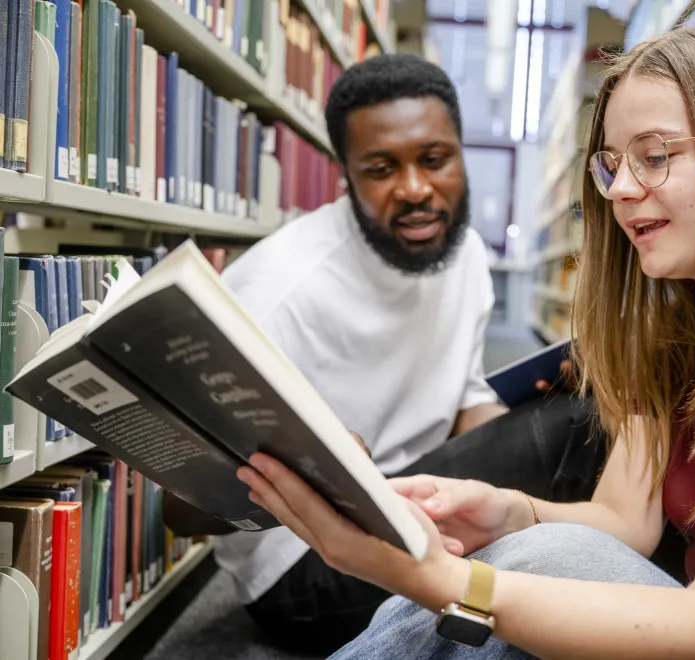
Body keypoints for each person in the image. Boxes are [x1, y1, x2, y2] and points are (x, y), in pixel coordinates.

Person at [235, 21, 695, 660]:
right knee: (529, 567)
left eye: (654, 156)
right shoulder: (681, 319)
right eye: (610, 163)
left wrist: (436, 578)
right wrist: (508, 511)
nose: (621, 188)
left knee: (530, 577)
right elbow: (626, 522)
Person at [161, 54, 606, 654]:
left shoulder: (465, 254)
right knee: (580, 429)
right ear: (345, 174)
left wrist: (524, 423)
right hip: (303, 569)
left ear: (460, 155)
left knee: (580, 408)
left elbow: (461, 408)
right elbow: (181, 510)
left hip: (410, 496)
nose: (417, 189)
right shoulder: (277, 291)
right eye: (381, 168)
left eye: (434, 159)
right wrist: (314, 471)